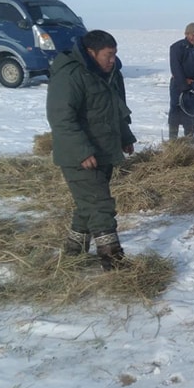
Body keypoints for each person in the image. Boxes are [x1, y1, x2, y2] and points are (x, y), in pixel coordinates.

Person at [46, 29, 136, 270]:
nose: (112, 59)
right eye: (108, 54)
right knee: (100, 205)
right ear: (90, 52)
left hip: (104, 150)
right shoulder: (70, 75)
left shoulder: (110, 74)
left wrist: (125, 137)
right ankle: (112, 258)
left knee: (88, 205)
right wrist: (82, 151)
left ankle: (73, 252)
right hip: (79, 156)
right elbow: (61, 117)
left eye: (115, 54)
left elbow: (117, 109)